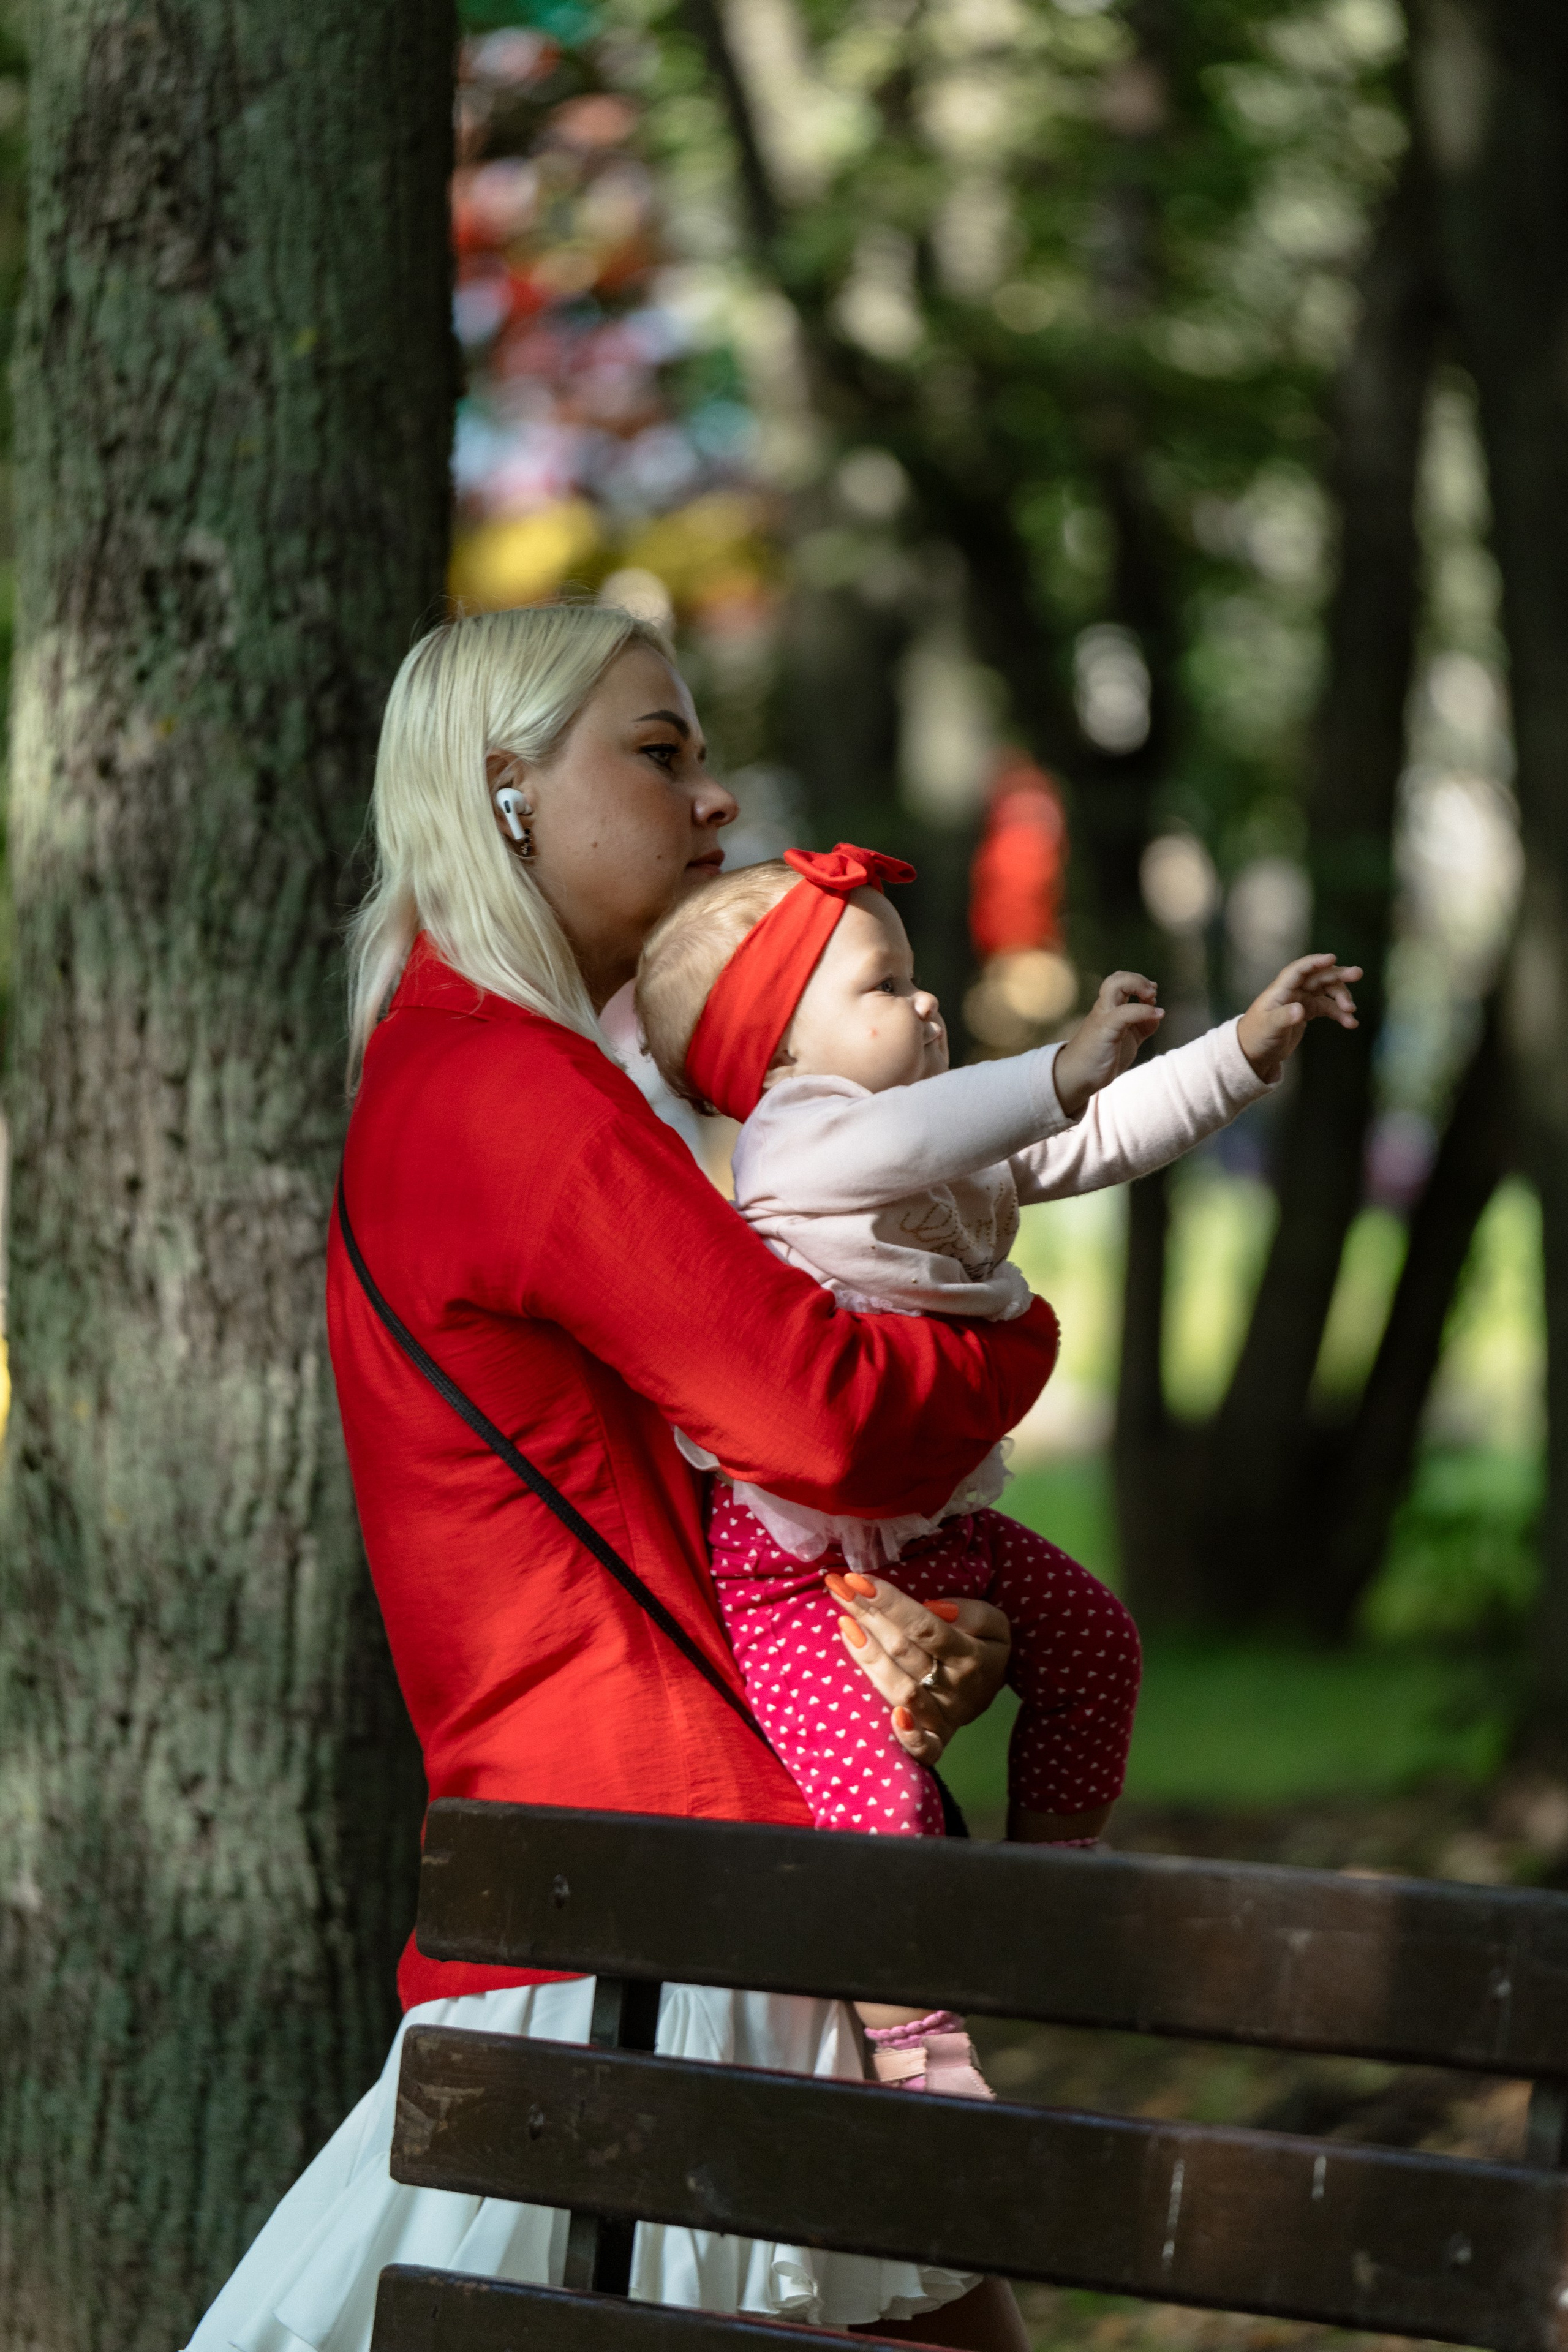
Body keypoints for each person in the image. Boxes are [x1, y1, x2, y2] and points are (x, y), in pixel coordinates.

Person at [183, 607, 1059, 2352]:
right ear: (503, 792)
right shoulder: (518, 1095)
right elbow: (828, 1416)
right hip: (665, 1913)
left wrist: (871, 1620)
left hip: (628, 1883)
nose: (718, 800)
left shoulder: (457, 1076)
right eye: (658, 754)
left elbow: (695, 1483)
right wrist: (1015, 1332)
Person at [634, 846, 1359, 2089]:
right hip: (796, 1563)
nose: (922, 1002)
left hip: (935, 1522)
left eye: (913, 975)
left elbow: (1090, 1138)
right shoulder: (798, 1144)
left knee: (1094, 1649)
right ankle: (912, 2039)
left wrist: (1236, 1053)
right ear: (778, 1050)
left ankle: (1045, 1896)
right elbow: (959, 1121)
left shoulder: (936, 1136)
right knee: (881, 1804)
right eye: (879, 984)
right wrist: (1056, 1067)